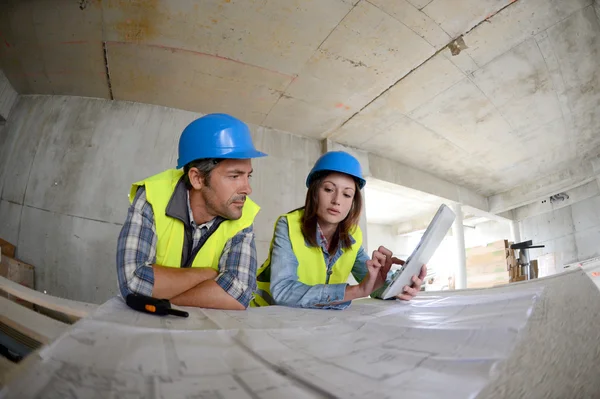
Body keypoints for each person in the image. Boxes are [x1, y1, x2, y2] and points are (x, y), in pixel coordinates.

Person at [116, 113, 266, 310]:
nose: (247, 189)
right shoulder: (154, 196)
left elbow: (239, 293)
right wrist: (207, 275)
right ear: (197, 178)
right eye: (235, 176)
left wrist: (166, 303)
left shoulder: (242, 213)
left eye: (248, 176)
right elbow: (133, 281)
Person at [252, 151, 426, 309]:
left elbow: (371, 286)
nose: (337, 200)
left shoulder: (353, 235)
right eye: (328, 189)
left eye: (347, 194)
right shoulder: (288, 224)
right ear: (314, 192)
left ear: (353, 202)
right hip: (268, 317)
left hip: (313, 321)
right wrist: (356, 291)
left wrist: (399, 288)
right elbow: (283, 292)